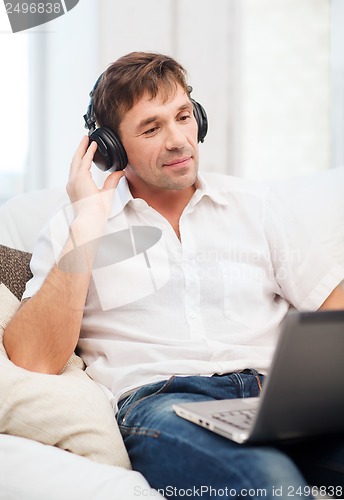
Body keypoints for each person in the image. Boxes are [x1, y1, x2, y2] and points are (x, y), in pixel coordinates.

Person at [3, 51, 344, 499]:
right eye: (152, 128)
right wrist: (87, 223)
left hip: (274, 398)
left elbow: (332, 308)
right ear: (111, 150)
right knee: (269, 484)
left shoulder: (256, 206)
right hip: (163, 407)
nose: (179, 139)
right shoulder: (75, 228)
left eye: (184, 117)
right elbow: (34, 359)